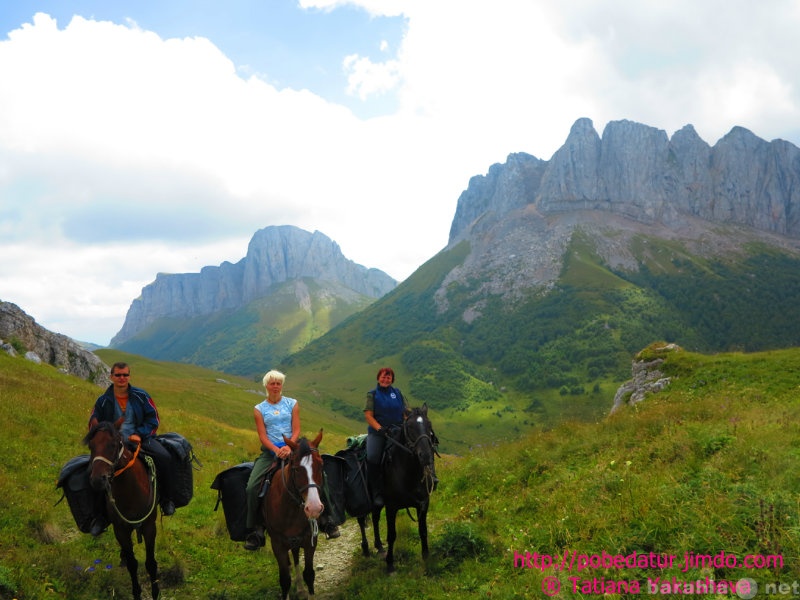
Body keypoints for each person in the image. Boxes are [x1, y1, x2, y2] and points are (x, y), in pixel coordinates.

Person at [88, 362, 177, 536]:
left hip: (140, 440)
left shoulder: (141, 396)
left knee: (165, 458)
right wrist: (99, 433)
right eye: (118, 375)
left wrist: (140, 434)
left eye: (125, 375)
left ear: (129, 376)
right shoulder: (103, 400)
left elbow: (154, 420)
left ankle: (166, 499)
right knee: (93, 472)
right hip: (112, 444)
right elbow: (94, 422)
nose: (122, 378)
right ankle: (99, 515)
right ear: (111, 376)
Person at [363, 367, 409, 507]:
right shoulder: (372, 394)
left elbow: (404, 413)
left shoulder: (397, 393)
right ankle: (376, 492)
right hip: (379, 433)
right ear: (378, 378)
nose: (385, 379)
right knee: (372, 457)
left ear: (392, 380)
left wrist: (407, 423)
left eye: (388, 377)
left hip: (398, 431)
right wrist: (380, 429)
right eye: (383, 377)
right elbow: (368, 416)